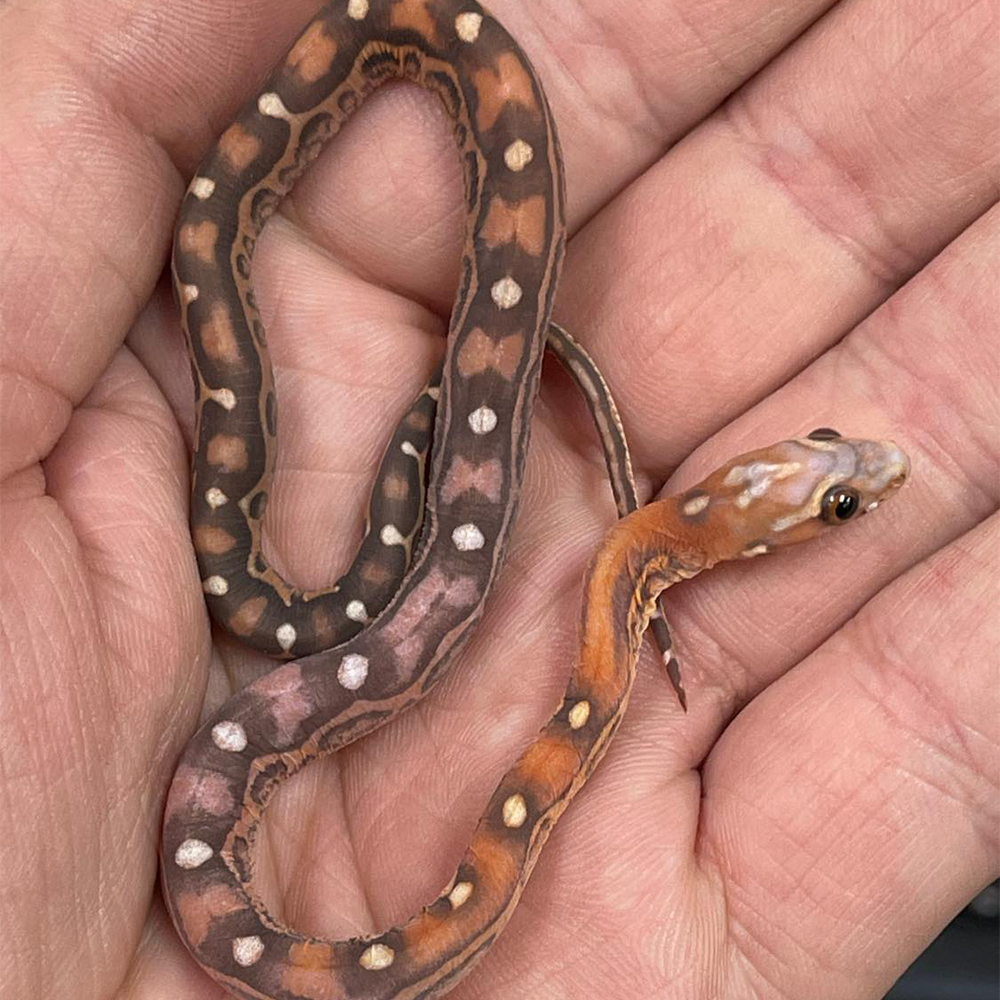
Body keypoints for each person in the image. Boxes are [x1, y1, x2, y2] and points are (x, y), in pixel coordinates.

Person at [1, 1, 996, 997]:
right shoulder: (624, 575)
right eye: (828, 471)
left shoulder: (629, 569)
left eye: (830, 497)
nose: (855, 471)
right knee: (223, 258)